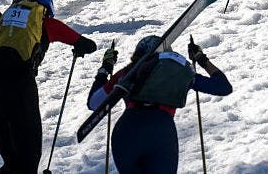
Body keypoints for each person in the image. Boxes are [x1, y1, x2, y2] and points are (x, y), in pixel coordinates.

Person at [0, 0, 96, 174]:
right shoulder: (46, 23)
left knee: (11, 163)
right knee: (28, 164)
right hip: (21, 95)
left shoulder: (0, 24)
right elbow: (89, 45)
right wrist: (78, 48)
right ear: (46, 8)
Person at [88, 35, 231, 174]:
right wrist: (201, 58)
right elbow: (223, 87)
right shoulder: (179, 72)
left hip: (126, 132)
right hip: (162, 132)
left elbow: (94, 103)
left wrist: (105, 68)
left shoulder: (127, 72)